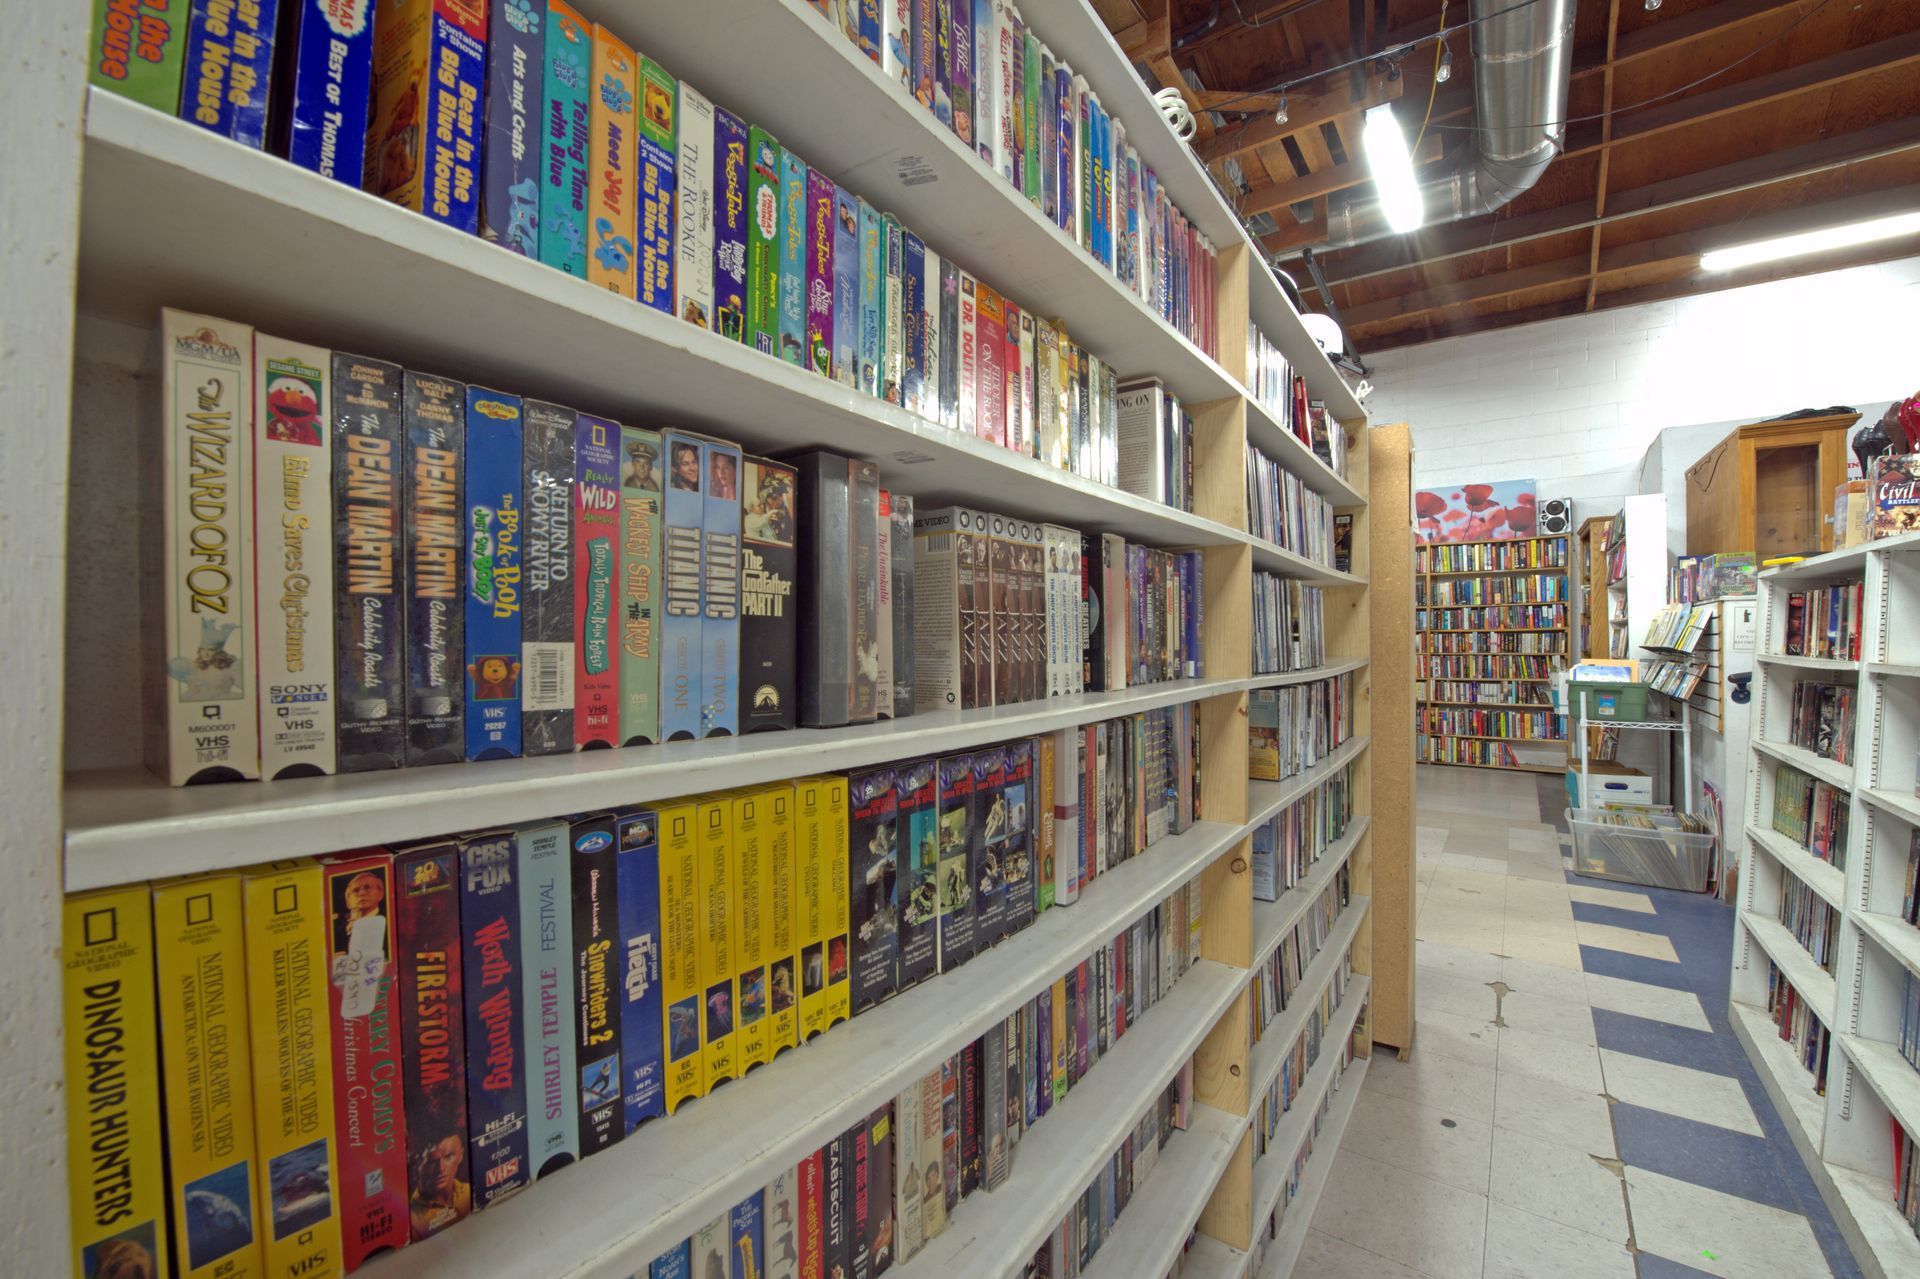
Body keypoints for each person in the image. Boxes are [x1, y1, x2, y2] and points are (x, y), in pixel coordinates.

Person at [409, 1132, 471, 1237]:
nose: (441, 1169)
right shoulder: (414, 1219)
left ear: (460, 1156)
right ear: (418, 1164)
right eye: (432, 1162)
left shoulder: (469, 1191)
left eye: (448, 1157)